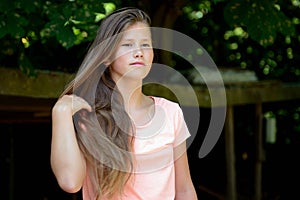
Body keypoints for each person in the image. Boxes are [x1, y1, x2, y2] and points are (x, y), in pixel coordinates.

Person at [50, 7, 198, 200]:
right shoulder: (89, 115)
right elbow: (70, 183)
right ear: (106, 56)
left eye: (145, 44)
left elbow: (185, 190)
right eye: (127, 45)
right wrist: (60, 112)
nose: (139, 52)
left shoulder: (171, 112)